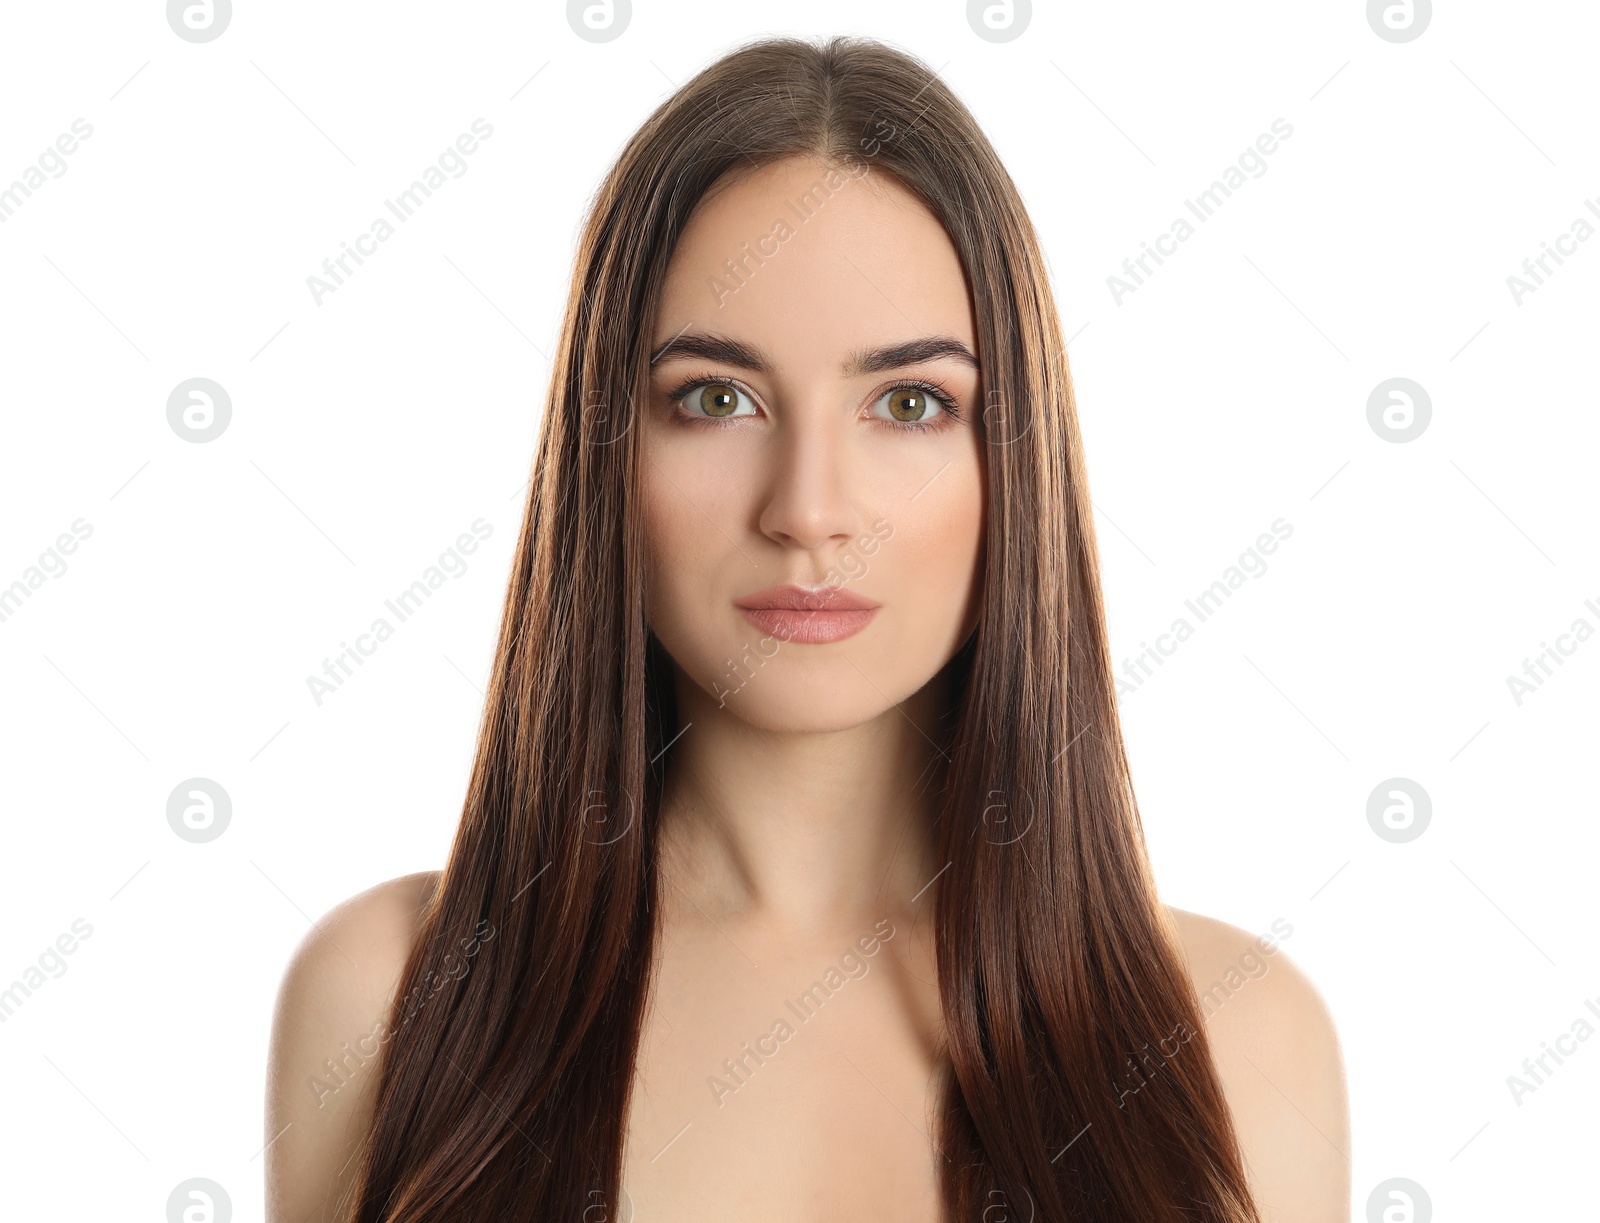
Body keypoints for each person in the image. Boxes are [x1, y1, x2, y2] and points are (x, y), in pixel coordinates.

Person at [265, 34, 1348, 1222]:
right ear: (605, 456)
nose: (810, 510)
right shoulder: (389, 998)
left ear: (1015, 465)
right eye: (716, 399)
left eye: (908, 403)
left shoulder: (1241, 1042)